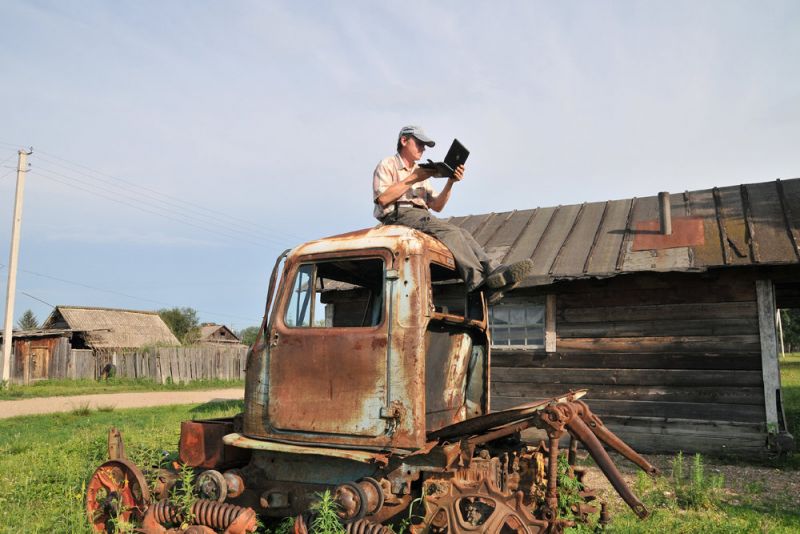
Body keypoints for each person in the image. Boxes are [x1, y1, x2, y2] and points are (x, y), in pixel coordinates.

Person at [372, 125, 533, 304]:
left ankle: (492, 271)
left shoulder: (420, 171)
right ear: (404, 140)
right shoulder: (388, 164)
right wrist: (414, 178)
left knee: (463, 233)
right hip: (397, 215)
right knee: (452, 233)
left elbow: (437, 206)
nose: (423, 148)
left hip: (421, 216)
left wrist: (450, 182)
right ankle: (478, 283)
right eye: (419, 143)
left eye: (424, 145)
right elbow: (383, 199)